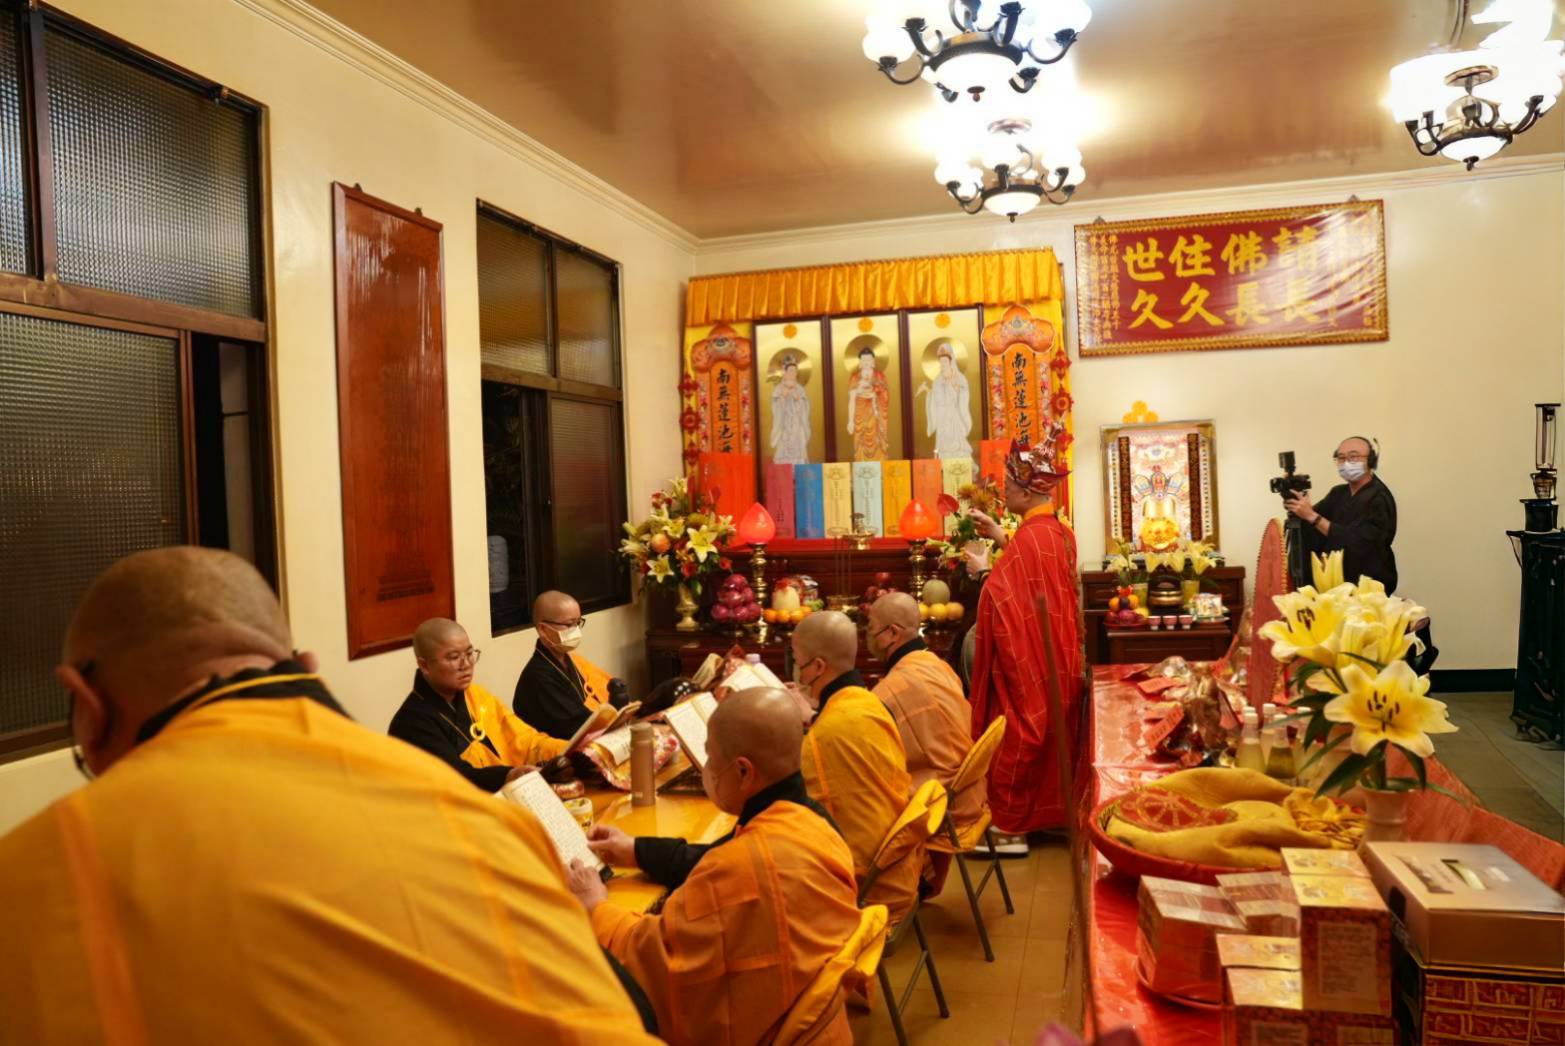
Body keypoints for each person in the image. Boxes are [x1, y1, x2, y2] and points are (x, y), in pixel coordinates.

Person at [0, 547, 658, 1043]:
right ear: (306, 667)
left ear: (87, 710)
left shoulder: (31, 876)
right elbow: (625, 1013)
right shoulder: (478, 820)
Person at [566, 688, 863, 1045]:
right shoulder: (814, 822)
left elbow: (655, 960)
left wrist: (596, 907)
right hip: (819, 1025)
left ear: (743, 771)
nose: (706, 768)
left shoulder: (742, 864)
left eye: (709, 757)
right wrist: (637, 850)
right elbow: (715, 859)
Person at [968, 434, 1084, 845]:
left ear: (1024, 491)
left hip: (1033, 658)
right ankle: (1052, 815)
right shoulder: (1058, 532)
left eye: (1007, 485)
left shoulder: (1030, 540)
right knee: (1054, 731)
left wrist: (984, 571)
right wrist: (1003, 538)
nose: (1003, 492)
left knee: (1019, 724)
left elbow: (1004, 601)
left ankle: (1012, 823)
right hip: (1060, 654)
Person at [791, 611, 920, 920]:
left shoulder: (825, 734)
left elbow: (799, 812)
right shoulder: (869, 702)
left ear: (818, 667)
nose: (797, 671)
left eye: (797, 662)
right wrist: (814, 716)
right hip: (901, 868)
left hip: (866, 887)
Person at [868, 591, 981, 892]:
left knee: (861, 799)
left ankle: (891, 889)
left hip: (944, 802)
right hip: (968, 788)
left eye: (872, 630)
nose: (869, 638)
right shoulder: (935, 662)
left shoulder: (894, 687)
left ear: (892, 633)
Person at [388, 616, 567, 791]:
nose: (466, 664)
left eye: (469, 653)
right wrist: (508, 775)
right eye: (453, 657)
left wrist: (566, 749)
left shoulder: (476, 695)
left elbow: (524, 740)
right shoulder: (411, 723)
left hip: (511, 792)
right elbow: (455, 778)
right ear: (425, 666)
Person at [1285, 436, 1398, 593]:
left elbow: (1361, 543)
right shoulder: (1338, 493)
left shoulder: (1379, 498)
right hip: (1335, 584)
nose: (1346, 463)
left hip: (1368, 585)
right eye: (1341, 458)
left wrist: (1312, 517)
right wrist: (1296, 499)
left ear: (1371, 461)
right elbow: (1310, 523)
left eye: (1354, 457)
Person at [513, 590, 624, 740]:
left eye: (578, 623)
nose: (576, 630)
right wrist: (614, 718)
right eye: (569, 624)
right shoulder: (537, 676)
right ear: (544, 630)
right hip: (558, 749)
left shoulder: (571, 660)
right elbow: (576, 726)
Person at [917, 342, 973, 461]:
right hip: (942, 418)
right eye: (941, 362)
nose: (943, 365)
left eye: (945, 362)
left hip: (954, 416)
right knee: (943, 447)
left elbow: (964, 393)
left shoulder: (959, 378)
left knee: (957, 444)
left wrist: (955, 387)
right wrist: (928, 391)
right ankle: (943, 465)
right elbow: (936, 397)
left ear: (951, 361)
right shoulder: (938, 380)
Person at [847, 346, 890, 461]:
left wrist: (875, 393)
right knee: (861, 441)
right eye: (864, 360)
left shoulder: (880, 376)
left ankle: (880, 466)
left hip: (876, 414)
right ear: (860, 362)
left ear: (873, 362)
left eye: (869, 359)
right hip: (860, 415)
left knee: (878, 440)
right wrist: (850, 421)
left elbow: (885, 396)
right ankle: (862, 467)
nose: (866, 362)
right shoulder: (855, 377)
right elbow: (851, 400)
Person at [770, 354, 812, 465]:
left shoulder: (800, 389)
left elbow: (805, 406)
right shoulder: (778, 388)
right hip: (784, 426)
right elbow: (775, 407)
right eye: (791, 371)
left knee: (799, 451)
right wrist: (783, 397)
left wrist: (798, 399)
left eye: (795, 371)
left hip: (797, 426)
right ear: (785, 372)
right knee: (783, 449)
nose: (793, 373)